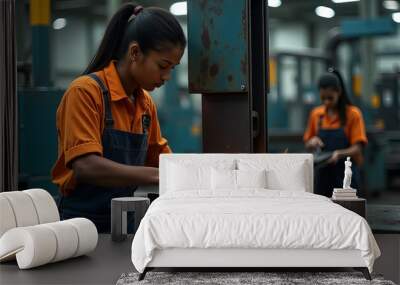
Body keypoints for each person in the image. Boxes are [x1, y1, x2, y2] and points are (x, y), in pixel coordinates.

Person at [51, 4, 186, 232]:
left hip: (124, 224)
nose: (167, 76)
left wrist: (198, 171)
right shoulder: (85, 92)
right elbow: (86, 166)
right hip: (81, 226)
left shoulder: (144, 105)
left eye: (173, 68)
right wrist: (162, 174)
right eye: (163, 66)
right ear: (135, 53)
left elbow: (162, 159)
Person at [303, 68, 368, 197]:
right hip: (322, 175)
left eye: (330, 98)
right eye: (323, 98)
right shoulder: (317, 114)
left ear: (339, 92)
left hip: (345, 175)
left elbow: (358, 148)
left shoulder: (353, 114)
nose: (326, 101)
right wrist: (313, 141)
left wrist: (338, 154)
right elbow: (307, 143)